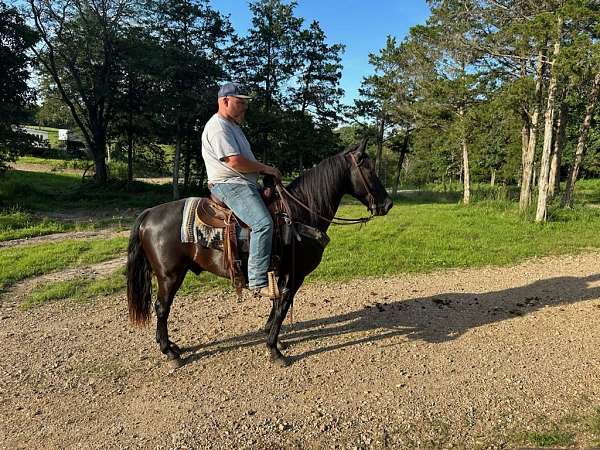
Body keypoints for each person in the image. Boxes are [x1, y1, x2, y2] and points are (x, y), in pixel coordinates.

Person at [201, 82, 282, 297]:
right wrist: (267, 169)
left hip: (243, 184)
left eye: (245, 103)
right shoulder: (218, 127)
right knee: (263, 224)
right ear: (224, 101)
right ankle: (257, 280)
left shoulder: (232, 127)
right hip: (229, 185)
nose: (244, 107)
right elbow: (235, 162)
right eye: (240, 102)